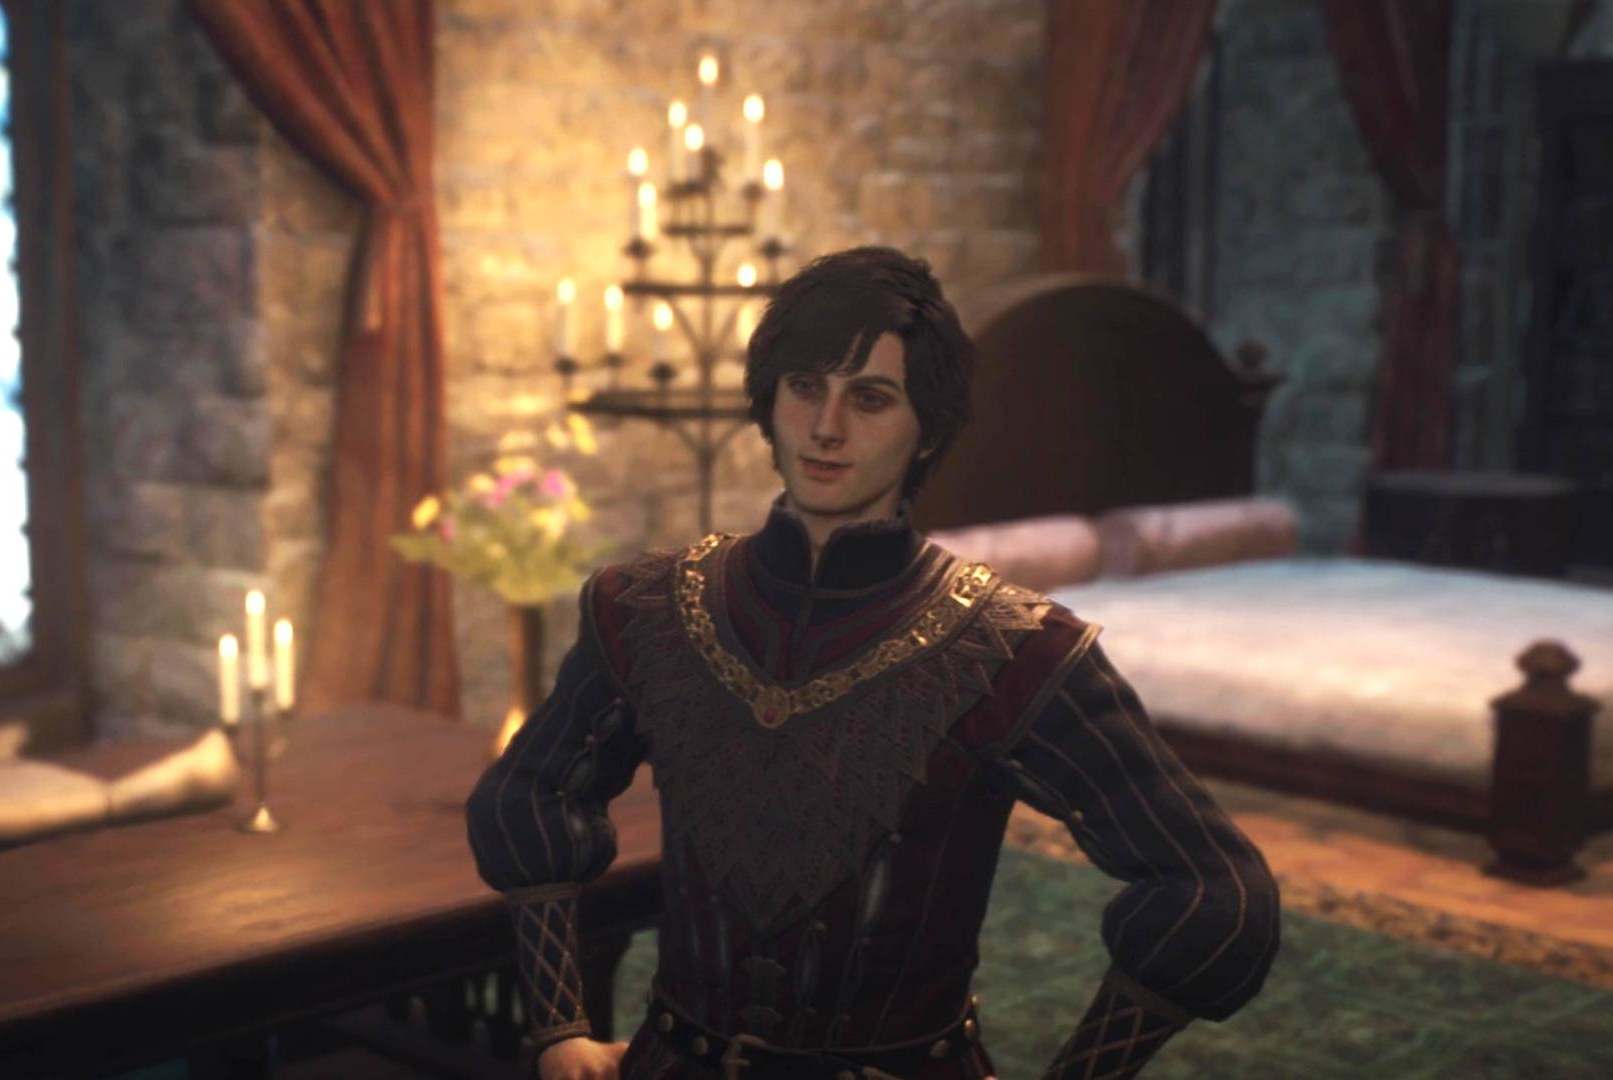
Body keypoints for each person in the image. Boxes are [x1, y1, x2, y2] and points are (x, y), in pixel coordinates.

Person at [465, 246, 1281, 1080]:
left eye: (870, 397)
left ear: (926, 426)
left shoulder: (1016, 651)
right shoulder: (646, 608)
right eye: (804, 387)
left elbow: (1214, 894)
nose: (826, 427)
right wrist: (560, 1025)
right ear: (769, 400)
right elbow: (532, 792)